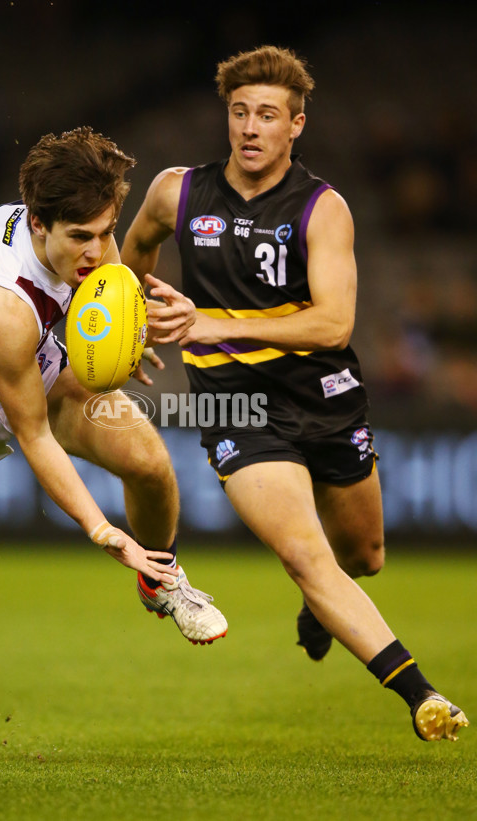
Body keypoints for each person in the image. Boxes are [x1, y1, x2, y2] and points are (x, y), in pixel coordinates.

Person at [121, 46, 469, 742]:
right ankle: (422, 694)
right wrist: (125, 330)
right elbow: (132, 258)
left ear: (297, 125)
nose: (251, 128)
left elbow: (333, 322)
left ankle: (322, 608)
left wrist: (207, 319)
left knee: (362, 554)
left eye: (268, 116)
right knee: (304, 555)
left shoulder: (322, 208)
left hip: (325, 397)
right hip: (233, 406)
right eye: (240, 112)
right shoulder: (177, 192)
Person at [0, 127, 227, 708]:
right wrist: (103, 530)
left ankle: (162, 577)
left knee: (150, 464)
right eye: (81, 238)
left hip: (33, 362)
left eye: (107, 232)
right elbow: (33, 435)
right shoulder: (3, 304)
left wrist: (128, 333)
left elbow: (110, 286)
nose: (96, 252)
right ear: (38, 224)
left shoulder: (76, 230)